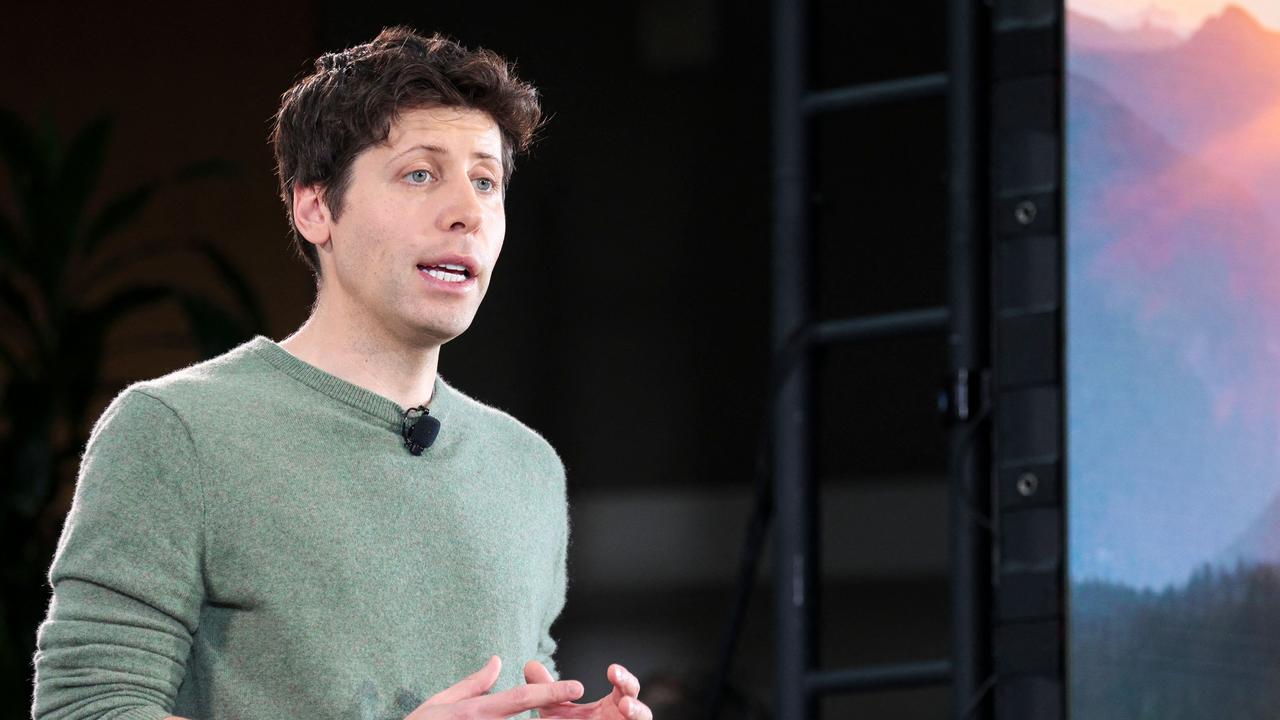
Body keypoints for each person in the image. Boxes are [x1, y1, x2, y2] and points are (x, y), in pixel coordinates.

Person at [31, 26, 652, 720]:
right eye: (421, 174)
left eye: (485, 181)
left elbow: (515, 690)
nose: (467, 213)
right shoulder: (176, 431)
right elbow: (85, 708)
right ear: (315, 206)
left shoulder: (526, 467)